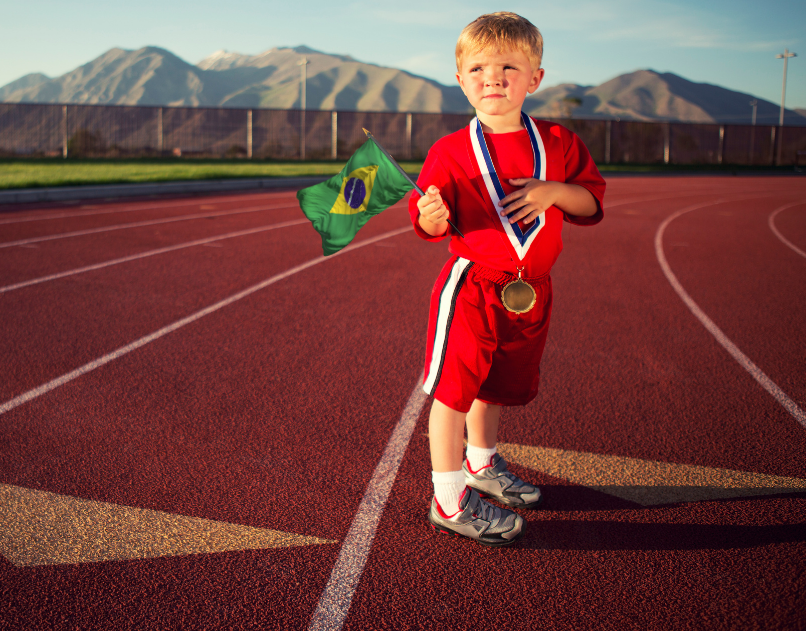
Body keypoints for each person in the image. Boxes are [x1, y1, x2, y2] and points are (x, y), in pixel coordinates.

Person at [410, 12, 606, 546]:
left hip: (531, 290)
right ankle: (449, 499)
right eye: (478, 69)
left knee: (494, 386)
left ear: (534, 78)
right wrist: (431, 215)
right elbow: (431, 225)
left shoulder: (559, 141)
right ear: (461, 80)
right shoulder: (449, 150)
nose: (492, 78)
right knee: (454, 392)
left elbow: (590, 202)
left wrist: (553, 191)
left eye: (507, 68)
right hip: (473, 286)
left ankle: (481, 464)